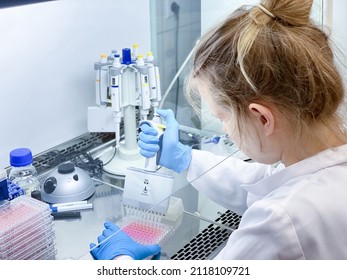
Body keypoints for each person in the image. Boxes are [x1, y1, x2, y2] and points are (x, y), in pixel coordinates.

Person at [90, 0, 347, 260]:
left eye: (222, 117)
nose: (225, 132)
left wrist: (119, 262)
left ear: (263, 118)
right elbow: (263, 182)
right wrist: (186, 158)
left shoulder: (279, 222)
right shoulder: (327, 160)